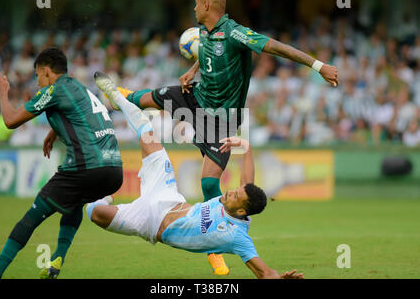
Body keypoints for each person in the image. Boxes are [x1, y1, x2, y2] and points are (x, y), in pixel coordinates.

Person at [95, 0, 338, 275]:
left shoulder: (235, 33)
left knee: (209, 182)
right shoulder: (207, 33)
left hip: (220, 121)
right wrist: (193, 70)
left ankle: (213, 248)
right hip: (197, 97)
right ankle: (119, 97)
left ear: (208, 6)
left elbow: (273, 46)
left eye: (197, 5)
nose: (194, 9)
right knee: (153, 97)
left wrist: (318, 65)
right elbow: (209, 52)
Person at [86, 81, 304, 279]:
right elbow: (247, 183)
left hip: (150, 223)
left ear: (241, 212)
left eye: (235, 195)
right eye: (235, 190)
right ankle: (119, 99)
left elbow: (264, 272)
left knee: (94, 213)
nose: (228, 192)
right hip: (168, 196)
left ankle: (105, 199)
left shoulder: (237, 237)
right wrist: (246, 148)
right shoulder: (238, 202)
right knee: (148, 134)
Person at [0, 48, 123, 279]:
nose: (38, 82)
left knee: (31, 217)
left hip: (86, 167)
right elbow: (81, 116)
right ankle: (56, 263)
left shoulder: (54, 89)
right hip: (114, 170)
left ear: (47, 72)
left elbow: (10, 121)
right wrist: (54, 131)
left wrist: (2, 93)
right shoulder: (79, 87)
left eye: (38, 76)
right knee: (76, 201)